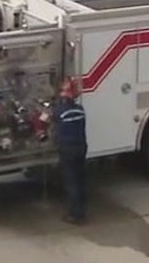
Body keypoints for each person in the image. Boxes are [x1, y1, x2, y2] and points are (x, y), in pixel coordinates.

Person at [54, 77, 87, 225]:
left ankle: (75, 215)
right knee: (80, 180)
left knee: (71, 182)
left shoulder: (60, 112)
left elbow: (45, 120)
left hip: (67, 150)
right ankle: (82, 210)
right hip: (81, 147)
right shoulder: (80, 110)